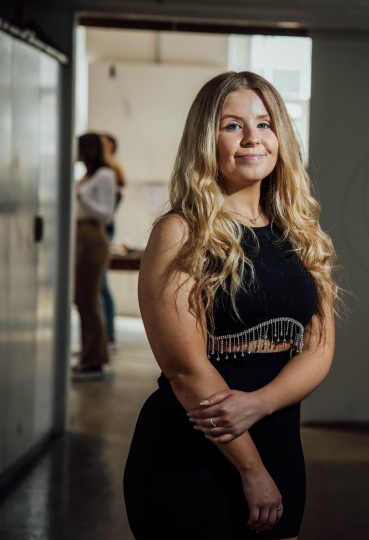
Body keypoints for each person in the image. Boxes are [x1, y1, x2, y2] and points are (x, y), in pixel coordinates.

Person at [123, 71, 338, 539]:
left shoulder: (300, 230)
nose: (251, 139)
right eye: (231, 125)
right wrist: (252, 470)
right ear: (206, 139)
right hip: (194, 449)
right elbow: (184, 372)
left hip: (279, 438)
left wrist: (260, 404)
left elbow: (319, 348)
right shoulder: (181, 231)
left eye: (264, 124)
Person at [73, 132, 117, 381]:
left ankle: (95, 359)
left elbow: (106, 213)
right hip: (79, 235)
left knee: (89, 298)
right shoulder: (87, 175)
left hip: (93, 235)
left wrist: (84, 197)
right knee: (81, 298)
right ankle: (88, 353)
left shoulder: (105, 175)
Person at [100, 132, 127, 349]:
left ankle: (108, 334)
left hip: (101, 230)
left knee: (100, 284)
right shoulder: (103, 172)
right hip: (99, 229)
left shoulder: (109, 173)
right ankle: (105, 334)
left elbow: (107, 211)